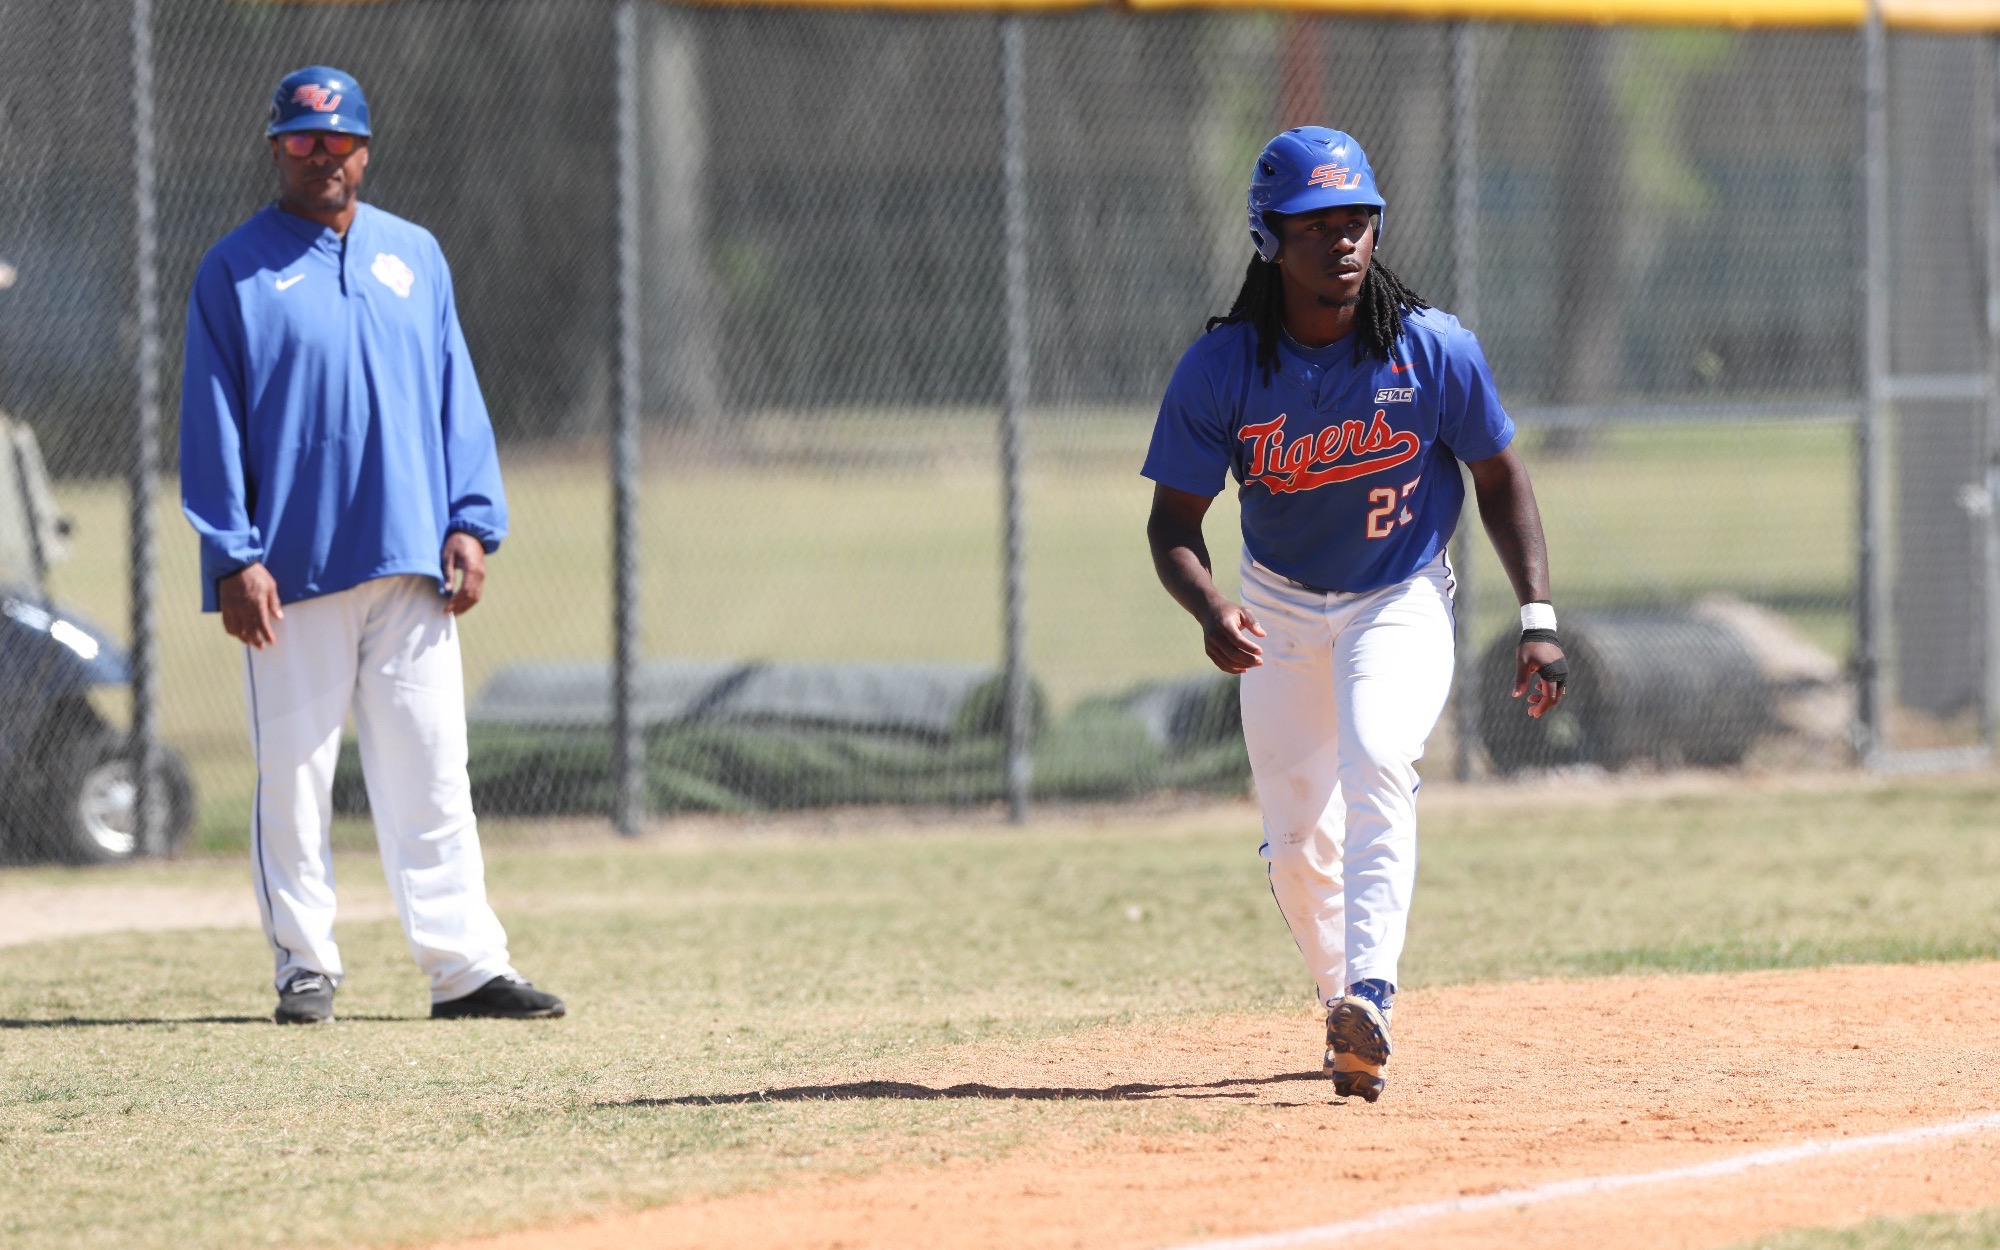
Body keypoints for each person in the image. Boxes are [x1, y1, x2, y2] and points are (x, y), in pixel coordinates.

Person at [1142, 127, 1566, 1102]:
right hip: (1277, 611)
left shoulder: (1430, 349)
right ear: (1269, 239)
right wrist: (1209, 605)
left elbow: (1499, 480)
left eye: (1357, 220)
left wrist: (1536, 614)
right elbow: (1171, 522)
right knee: (1294, 842)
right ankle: (1344, 1008)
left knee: (1378, 752)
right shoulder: (1220, 370)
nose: (1341, 239)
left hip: (1398, 595)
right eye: (1314, 224)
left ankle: (1370, 988)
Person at [180, 66, 564, 1026]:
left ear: (366, 147)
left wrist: (471, 520)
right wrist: (232, 553)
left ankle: (465, 967)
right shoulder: (234, 269)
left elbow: (453, 396)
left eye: (340, 139)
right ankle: (304, 965)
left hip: (409, 567)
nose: (325, 157)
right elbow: (208, 422)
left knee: (432, 773)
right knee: (294, 784)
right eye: (305, 141)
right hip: (290, 573)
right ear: (277, 148)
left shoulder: (414, 255)